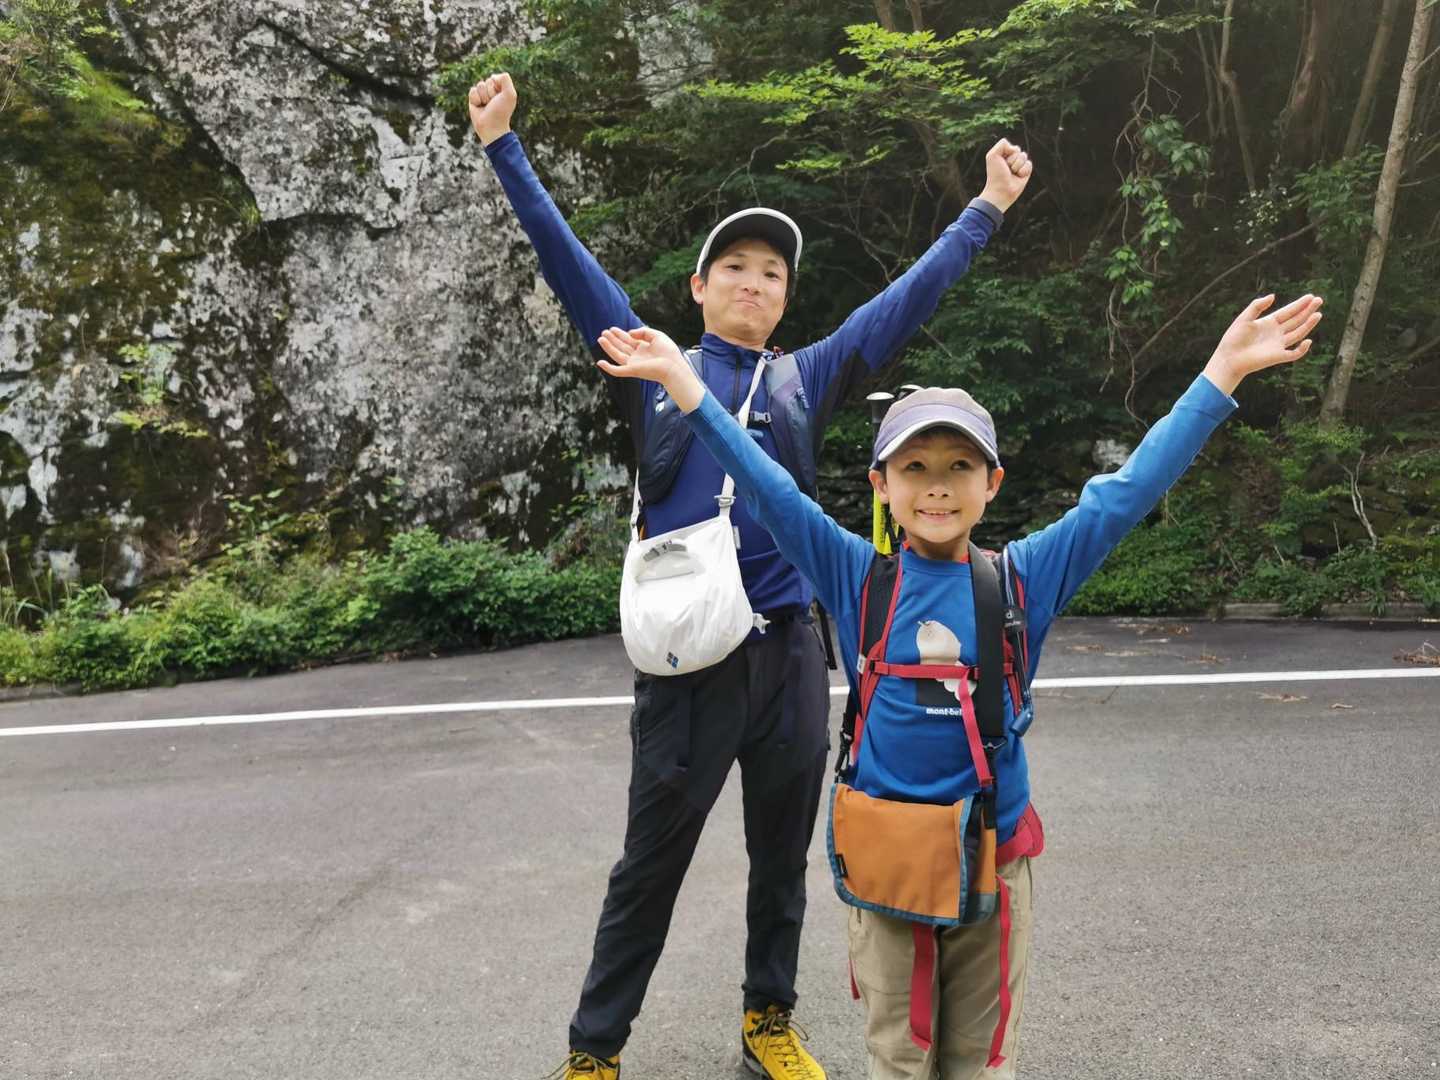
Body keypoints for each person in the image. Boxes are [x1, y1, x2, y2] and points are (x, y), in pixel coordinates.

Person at [593, 291, 1325, 1079]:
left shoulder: (1022, 581)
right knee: (898, 1058)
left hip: (993, 863)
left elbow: (1127, 493)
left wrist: (1221, 374)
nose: (937, 486)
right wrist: (685, 385)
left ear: (992, 482)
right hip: (887, 866)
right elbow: (765, 483)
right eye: (914, 467)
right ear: (881, 483)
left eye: (959, 467)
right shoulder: (855, 575)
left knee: (978, 1063)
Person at [467, 71, 1033, 1080]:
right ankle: (595, 1049)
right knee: (651, 863)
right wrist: (504, 146)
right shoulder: (653, 366)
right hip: (689, 660)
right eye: (733, 267)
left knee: (783, 859)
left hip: (788, 656)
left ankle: (767, 1021)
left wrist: (985, 208)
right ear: (699, 287)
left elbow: (905, 301)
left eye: (772, 273)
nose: (753, 283)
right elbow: (569, 266)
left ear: (785, 298)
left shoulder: (804, 378)